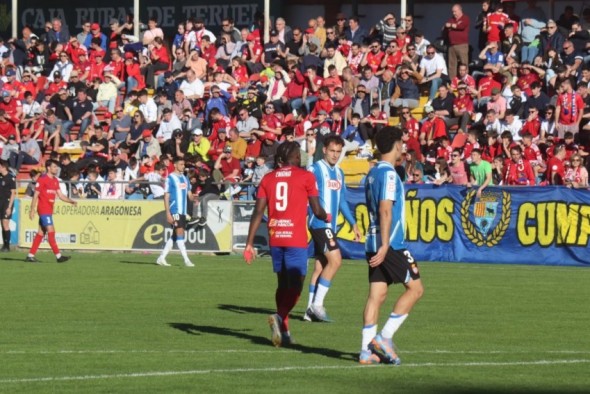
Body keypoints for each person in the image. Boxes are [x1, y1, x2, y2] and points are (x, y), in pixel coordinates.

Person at [243, 141, 328, 347]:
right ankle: (280, 316)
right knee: (297, 285)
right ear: (296, 157)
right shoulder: (306, 176)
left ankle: (285, 332)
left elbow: (257, 212)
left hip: (276, 238)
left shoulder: (268, 178)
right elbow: (317, 210)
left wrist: (249, 244)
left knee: (282, 285)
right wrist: (326, 216)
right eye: (299, 155)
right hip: (295, 239)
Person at [359, 126, 424, 365]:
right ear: (396, 145)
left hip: (372, 240)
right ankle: (384, 338)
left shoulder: (372, 173)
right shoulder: (387, 174)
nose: (403, 147)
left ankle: (366, 351)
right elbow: (385, 210)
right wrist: (386, 245)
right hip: (391, 243)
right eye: (402, 143)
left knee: (377, 295)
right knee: (416, 289)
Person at [305, 135, 361, 322]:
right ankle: (317, 304)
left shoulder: (339, 173)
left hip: (332, 226)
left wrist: (353, 223)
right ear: (324, 150)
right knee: (336, 260)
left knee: (320, 266)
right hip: (319, 223)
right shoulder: (315, 169)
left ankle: (308, 311)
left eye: (338, 152)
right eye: (332, 151)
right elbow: (306, 196)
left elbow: (343, 201)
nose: (335, 155)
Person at [26, 159, 77, 263]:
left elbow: (61, 195)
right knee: (51, 231)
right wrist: (32, 210)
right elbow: (35, 195)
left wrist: (71, 201)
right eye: (54, 167)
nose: (56, 168)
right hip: (43, 209)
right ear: (48, 168)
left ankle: (30, 255)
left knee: (41, 232)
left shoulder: (55, 180)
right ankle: (58, 256)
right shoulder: (42, 179)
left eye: (56, 167)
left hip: (49, 210)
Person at [156, 157, 194, 267]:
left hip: (183, 211)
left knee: (175, 235)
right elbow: (166, 196)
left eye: (184, 164)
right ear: (176, 165)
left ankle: (161, 258)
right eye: (181, 164)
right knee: (180, 233)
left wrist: (195, 199)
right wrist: (168, 213)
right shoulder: (170, 178)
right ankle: (186, 260)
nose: (183, 166)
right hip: (175, 210)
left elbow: (189, 194)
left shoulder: (185, 178)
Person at [0, 160, 16, 252]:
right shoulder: (0, 177)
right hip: (0, 202)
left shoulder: (10, 177)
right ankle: (4, 246)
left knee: (6, 223)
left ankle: (7, 246)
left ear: (3, 167)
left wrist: (9, 207)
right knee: (2, 224)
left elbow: (13, 193)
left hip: (7, 202)